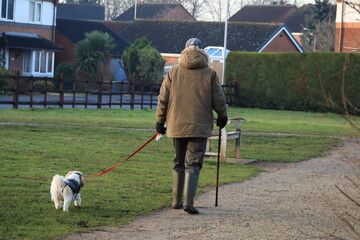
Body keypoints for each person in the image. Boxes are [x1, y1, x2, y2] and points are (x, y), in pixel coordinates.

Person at [155, 38, 228, 214]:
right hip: (199, 126)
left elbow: (163, 98)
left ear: (184, 50)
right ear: (202, 51)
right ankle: (188, 202)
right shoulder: (210, 74)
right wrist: (223, 116)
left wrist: (159, 121)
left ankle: (176, 201)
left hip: (176, 124)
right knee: (193, 163)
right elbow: (219, 99)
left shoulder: (173, 71)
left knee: (178, 162)